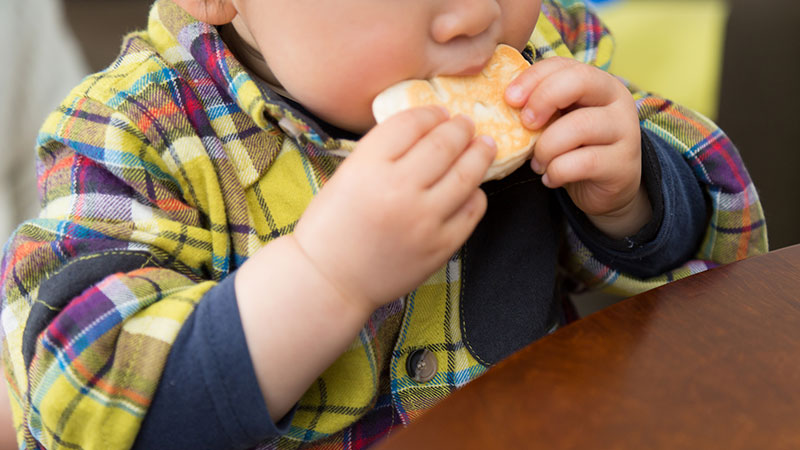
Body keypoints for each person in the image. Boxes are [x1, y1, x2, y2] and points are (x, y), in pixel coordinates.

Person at [0, 0, 766, 448]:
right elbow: (78, 400)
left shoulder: (538, 53)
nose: (471, 13)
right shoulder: (132, 132)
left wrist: (631, 196)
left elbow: (715, 246)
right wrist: (327, 275)